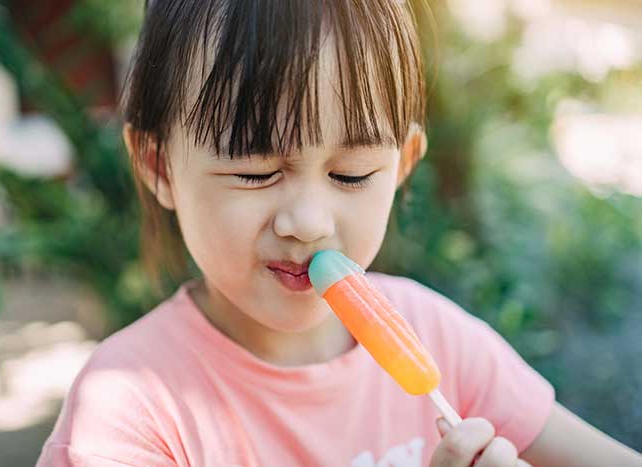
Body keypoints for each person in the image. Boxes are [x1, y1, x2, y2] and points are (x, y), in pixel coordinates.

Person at [37, 1, 642, 466]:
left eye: (350, 175)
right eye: (256, 172)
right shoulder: (131, 412)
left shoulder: (441, 342)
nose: (307, 220)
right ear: (159, 166)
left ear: (403, 165)